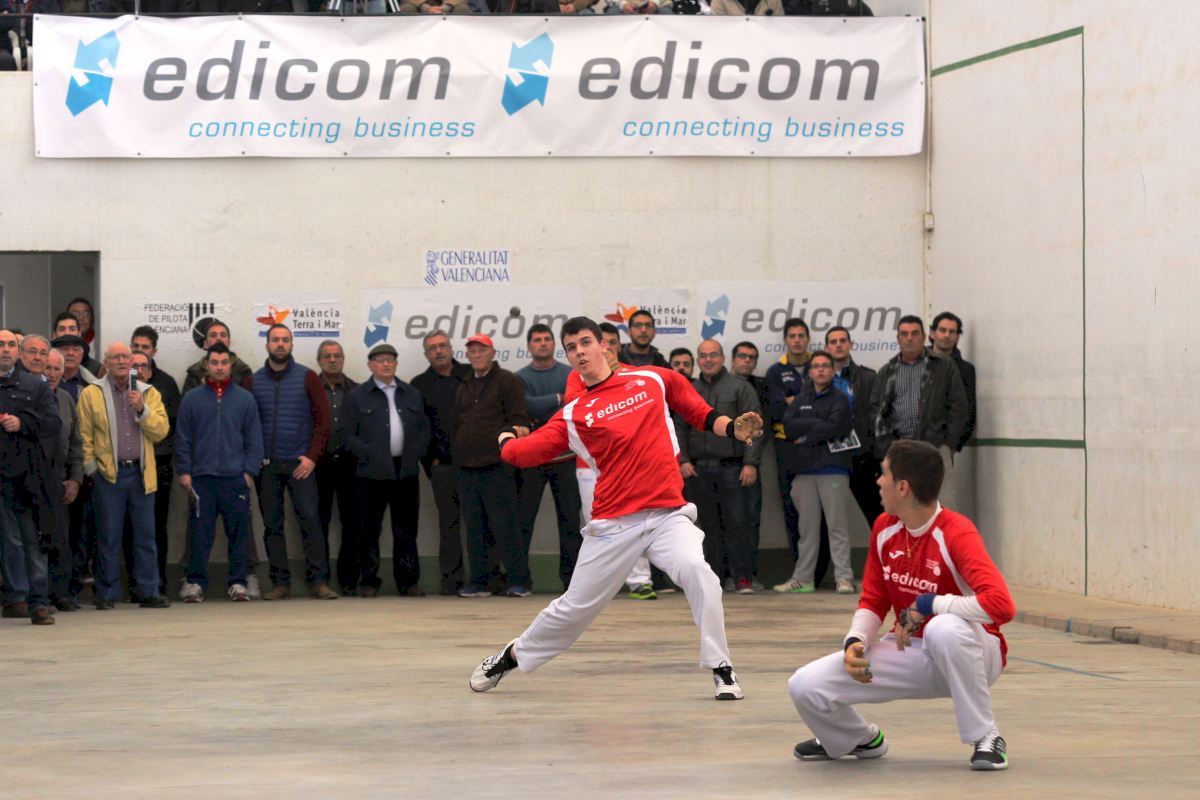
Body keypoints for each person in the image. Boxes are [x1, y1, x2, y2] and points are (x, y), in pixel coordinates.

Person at [469, 317, 764, 701]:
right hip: (613, 525)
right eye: (571, 347)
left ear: (603, 346)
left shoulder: (652, 379)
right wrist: (506, 437)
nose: (579, 351)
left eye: (585, 342)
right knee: (573, 610)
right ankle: (510, 657)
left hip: (667, 515)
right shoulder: (575, 413)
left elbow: (697, 411)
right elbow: (521, 454)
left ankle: (721, 668)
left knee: (699, 572)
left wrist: (732, 427)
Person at [787, 440, 1015, 771]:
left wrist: (929, 603)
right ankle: (857, 739)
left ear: (903, 487)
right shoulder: (884, 527)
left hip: (974, 652)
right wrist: (856, 641)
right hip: (911, 651)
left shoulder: (956, 532)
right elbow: (873, 600)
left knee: (943, 628)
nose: (878, 481)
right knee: (805, 686)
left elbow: (1001, 606)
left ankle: (986, 736)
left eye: (884, 474)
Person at [77, 342, 171, 609]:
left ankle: (148, 591)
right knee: (108, 538)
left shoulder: (147, 392)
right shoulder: (92, 393)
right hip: (109, 476)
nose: (121, 361)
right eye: (115, 357)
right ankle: (106, 594)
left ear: (132, 362)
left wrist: (142, 409)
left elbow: (161, 431)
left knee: (145, 537)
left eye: (125, 357)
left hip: (141, 474)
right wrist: (92, 471)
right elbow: (83, 436)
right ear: (106, 362)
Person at [246, 324, 336, 600]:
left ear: (292, 345)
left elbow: (323, 421)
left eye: (285, 340)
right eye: (275, 340)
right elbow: (247, 425)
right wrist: (253, 460)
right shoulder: (253, 381)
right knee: (272, 526)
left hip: (301, 465)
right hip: (267, 467)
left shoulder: (307, 377)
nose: (280, 344)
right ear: (267, 345)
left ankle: (318, 581)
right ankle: (280, 583)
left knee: (310, 521)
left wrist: (312, 457)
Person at [570, 322, 658, 601]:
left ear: (615, 346)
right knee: (598, 524)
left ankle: (640, 581)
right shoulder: (577, 377)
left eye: (611, 343)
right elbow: (576, 413)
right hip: (590, 467)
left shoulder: (636, 375)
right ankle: (596, 585)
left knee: (636, 518)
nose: (605, 349)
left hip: (631, 465)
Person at [175, 344, 263, 602]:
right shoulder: (192, 399)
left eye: (224, 362)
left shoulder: (245, 399)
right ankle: (195, 583)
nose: (219, 367)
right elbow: (183, 438)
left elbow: (254, 440)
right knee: (199, 534)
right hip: (200, 480)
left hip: (235, 479)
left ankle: (238, 582)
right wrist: (185, 471)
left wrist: (248, 472)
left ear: (230, 365)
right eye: (215, 362)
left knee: (239, 534)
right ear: (207, 365)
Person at [342, 344, 431, 596]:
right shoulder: (357, 396)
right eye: (380, 360)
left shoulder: (412, 394)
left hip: (405, 471)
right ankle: (369, 581)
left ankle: (408, 582)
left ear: (396, 364)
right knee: (369, 530)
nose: (386, 364)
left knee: (406, 530)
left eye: (390, 360)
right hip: (371, 473)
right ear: (370, 365)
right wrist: (369, 454)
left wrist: (415, 453)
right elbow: (347, 434)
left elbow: (424, 429)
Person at [454, 333, 532, 598]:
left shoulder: (508, 381)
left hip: (498, 466)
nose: (477, 355)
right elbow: (458, 422)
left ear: (492, 353)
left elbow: (519, 419)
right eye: (472, 351)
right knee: (474, 528)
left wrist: (509, 450)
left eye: (482, 350)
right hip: (467, 467)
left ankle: (519, 581)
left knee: (505, 526)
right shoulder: (464, 385)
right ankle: (479, 582)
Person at [774, 351, 856, 595]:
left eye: (825, 366)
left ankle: (844, 578)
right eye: (816, 366)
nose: (820, 370)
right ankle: (803, 579)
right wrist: (818, 426)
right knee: (806, 530)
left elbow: (837, 427)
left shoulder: (840, 398)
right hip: (804, 471)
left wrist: (806, 434)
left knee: (837, 527)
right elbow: (789, 426)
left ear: (832, 370)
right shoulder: (800, 399)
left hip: (833, 469)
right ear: (809, 372)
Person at [684, 339, 763, 594]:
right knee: (707, 527)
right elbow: (679, 427)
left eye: (713, 355)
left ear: (722, 358)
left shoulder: (740, 387)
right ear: (698, 360)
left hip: (733, 468)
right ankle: (714, 580)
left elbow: (754, 428)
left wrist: (750, 463)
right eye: (703, 356)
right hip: (698, 470)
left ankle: (742, 578)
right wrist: (682, 460)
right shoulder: (690, 390)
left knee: (737, 524)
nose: (708, 360)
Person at [870, 316, 968, 509]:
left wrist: (948, 445)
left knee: (943, 505)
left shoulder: (944, 366)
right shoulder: (887, 371)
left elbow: (959, 408)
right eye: (904, 334)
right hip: (899, 450)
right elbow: (875, 410)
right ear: (898, 338)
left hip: (935, 448)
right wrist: (886, 445)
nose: (909, 338)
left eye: (915, 333)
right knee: (902, 506)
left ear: (924, 337)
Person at [0, 329, 61, 625]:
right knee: (8, 542)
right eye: (0, 344)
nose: (5, 349)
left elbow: (53, 423)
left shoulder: (34, 385)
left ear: (18, 351)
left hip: (25, 478)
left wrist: (22, 422)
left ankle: (38, 601)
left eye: (11, 344)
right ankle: (16, 598)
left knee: (31, 540)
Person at [515, 324, 581, 591]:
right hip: (533, 459)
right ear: (529, 346)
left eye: (547, 339)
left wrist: (546, 407)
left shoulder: (571, 374)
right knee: (523, 522)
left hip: (566, 459)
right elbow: (525, 406)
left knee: (570, 522)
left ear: (555, 344)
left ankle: (572, 583)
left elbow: (573, 407)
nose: (542, 343)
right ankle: (520, 581)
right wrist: (557, 398)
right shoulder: (519, 378)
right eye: (537, 340)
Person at [22, 340, 83, 612]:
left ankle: (60, 594)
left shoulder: (66, 399)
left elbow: (77, 443)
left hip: (59, 481)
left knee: (60, 539)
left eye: (57, 369)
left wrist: (75, 479)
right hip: (29, 479)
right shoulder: (27, 395)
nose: (53, 373)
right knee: (34, 541)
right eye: (48, 367)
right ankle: (37, 596)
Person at [411, 330, 471, 595]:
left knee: (481, 523)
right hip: (443, 466)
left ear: (451, 348)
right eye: (432, 348)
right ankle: (451, 581)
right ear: (426, 354)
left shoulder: (471, 374)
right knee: (449, 524)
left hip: (477, 465)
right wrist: (431, 462)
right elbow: (417, 427)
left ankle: (488, 577)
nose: (438, 351)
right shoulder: (419, 384)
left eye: (442, 346)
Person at [128, 327, 181, 597]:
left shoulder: (166, 383)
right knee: (128, 528)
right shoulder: (118, 381)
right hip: (127, 465)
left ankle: (158, 582)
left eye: (145, 348)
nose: (140, 352)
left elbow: (171, 427)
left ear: (154, 351)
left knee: (156, 526)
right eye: (135, 347)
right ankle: (133, 583)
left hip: (158, 464)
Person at [765, 317, 812, 563]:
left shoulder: (820, 364)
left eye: (801, 336)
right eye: (792, 336)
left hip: (817, 445)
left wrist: (793, 401)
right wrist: (807, 403)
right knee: (792, 506)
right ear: (785, 340)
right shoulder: (775, 372)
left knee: (818, 508)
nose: (797, 340)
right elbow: (776, 411)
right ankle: (799, 566)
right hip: (787, 447)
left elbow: (829, 407)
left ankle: (819, 570)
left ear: (808, 339)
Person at [313, 339, 359, 591]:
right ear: (319, 361)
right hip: (318, 465)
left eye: (337, 356)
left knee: (351, 523)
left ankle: (348, 580)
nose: (333, 360)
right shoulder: (310, 389)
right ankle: (320, 579)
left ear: (343, 359)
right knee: (318, 522)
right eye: (327, 356)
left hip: (350, 465)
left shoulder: (356, 390)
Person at [825, 325, 882, 527]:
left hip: (862, 458)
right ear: (827, 347)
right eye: (833, 342)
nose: (838, 345)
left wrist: (877, 453)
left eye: (843, 341)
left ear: (851, 344)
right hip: (829, 460)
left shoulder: (869, 378)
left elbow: (879, 418)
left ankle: (888, 549)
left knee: (878, 517)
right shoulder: (815, 378)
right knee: (828, 521)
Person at [730, 340, 768, 588]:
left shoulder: (762, 387)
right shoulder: (721, 385)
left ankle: (748, 575)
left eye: (751, 357)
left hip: (749, 464)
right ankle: (726, 575)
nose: (746, 360)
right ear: (732, 359)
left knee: (750, 522)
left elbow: (760, 430)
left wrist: (751, 462)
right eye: (742, 356)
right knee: (725, 523)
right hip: (721, 463)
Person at [930, 311, 977, 504]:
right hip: (915, 444)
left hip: (944, 446)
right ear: (932, 333)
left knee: (944, 502)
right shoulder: (918, 363)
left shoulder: (965, 370)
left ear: (957, 337)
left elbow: (968, 411)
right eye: (942, 330)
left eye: (952, 332)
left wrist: (951, 445)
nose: (946, 335)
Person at [180, 319, 254, 395]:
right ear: (205, 343)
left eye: (223, 335)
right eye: (213, 335)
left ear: (229, 342)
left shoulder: (243, 371)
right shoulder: (194, 373)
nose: (219, 338)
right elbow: (187, 401)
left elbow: (247, 400)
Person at [53, 311, 102, 376]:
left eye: (72, 329)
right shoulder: (45, 362)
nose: (67, 333)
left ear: (79, 334)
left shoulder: (96, 369)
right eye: (62, 329)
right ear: (54, 335)